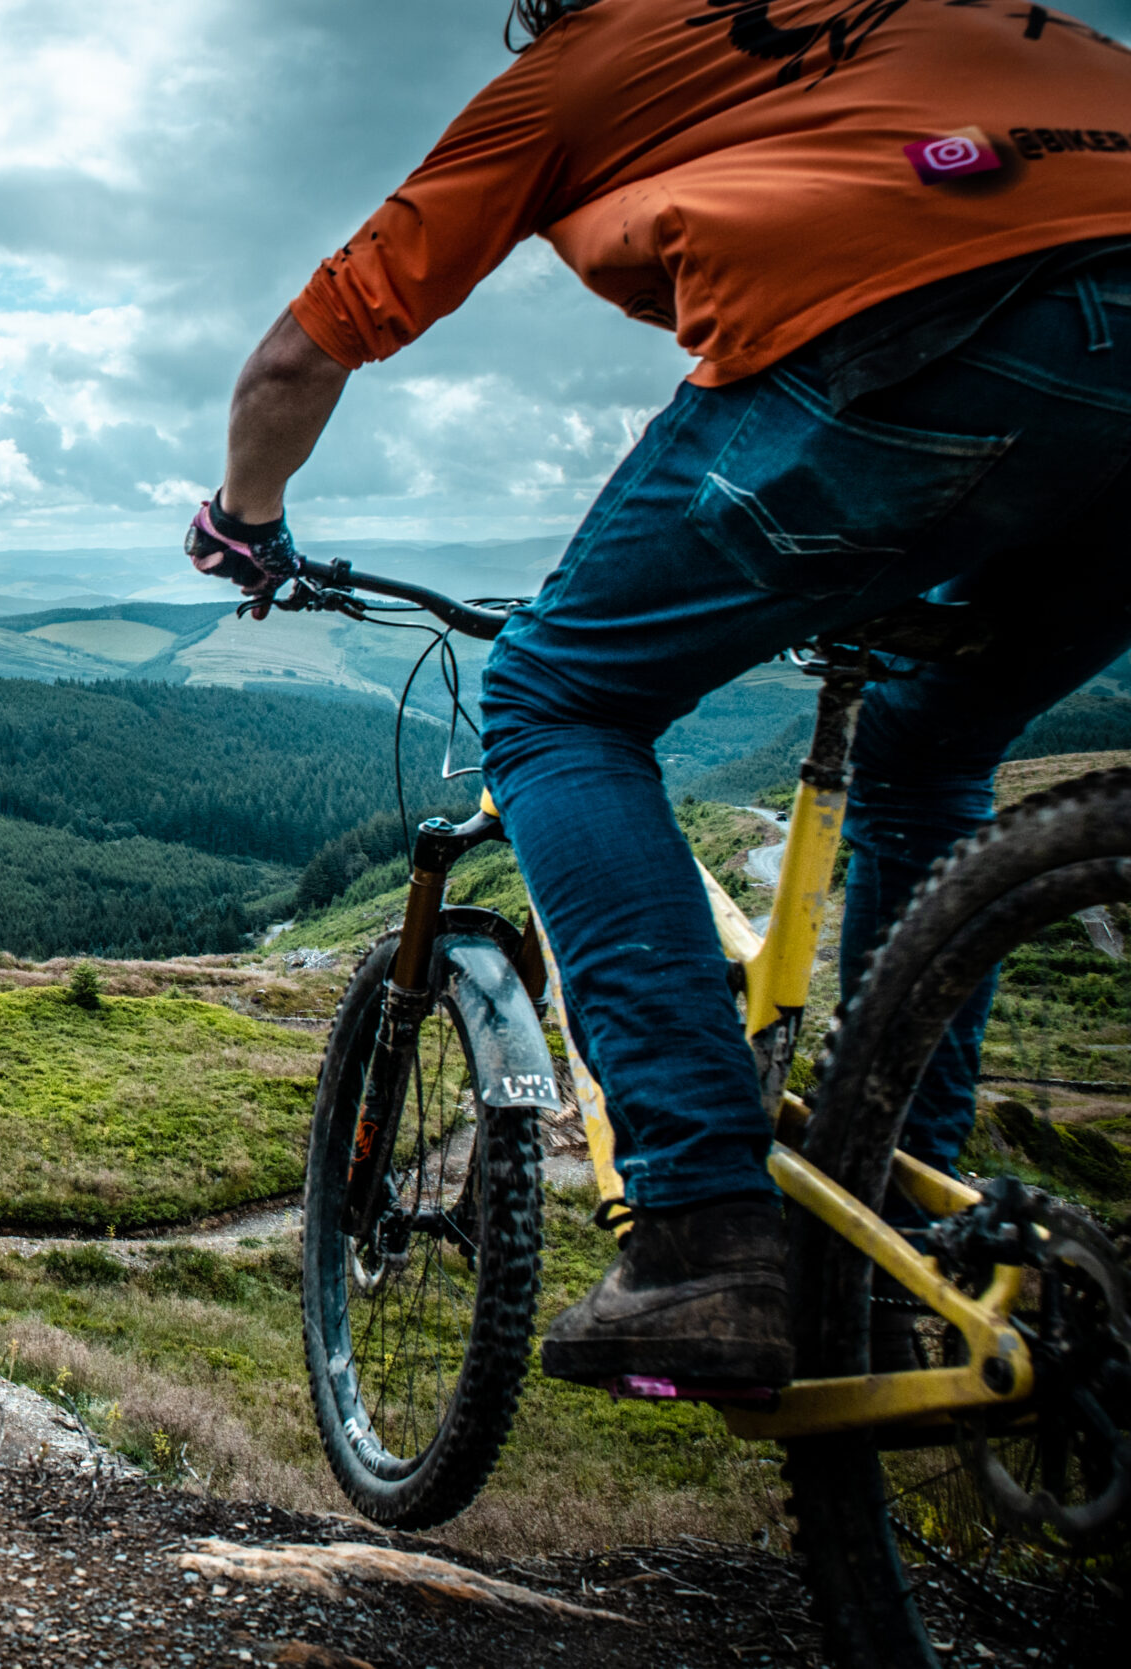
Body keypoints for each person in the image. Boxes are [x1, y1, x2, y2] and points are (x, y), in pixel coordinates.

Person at [197, 0, 1131, 1386]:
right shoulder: (946, 16)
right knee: (928, 761)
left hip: (924, 327)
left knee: (555, 698)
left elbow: (299, 353)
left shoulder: (590, 59)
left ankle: (703, 1228)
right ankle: (892, 1259)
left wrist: (246, 519)